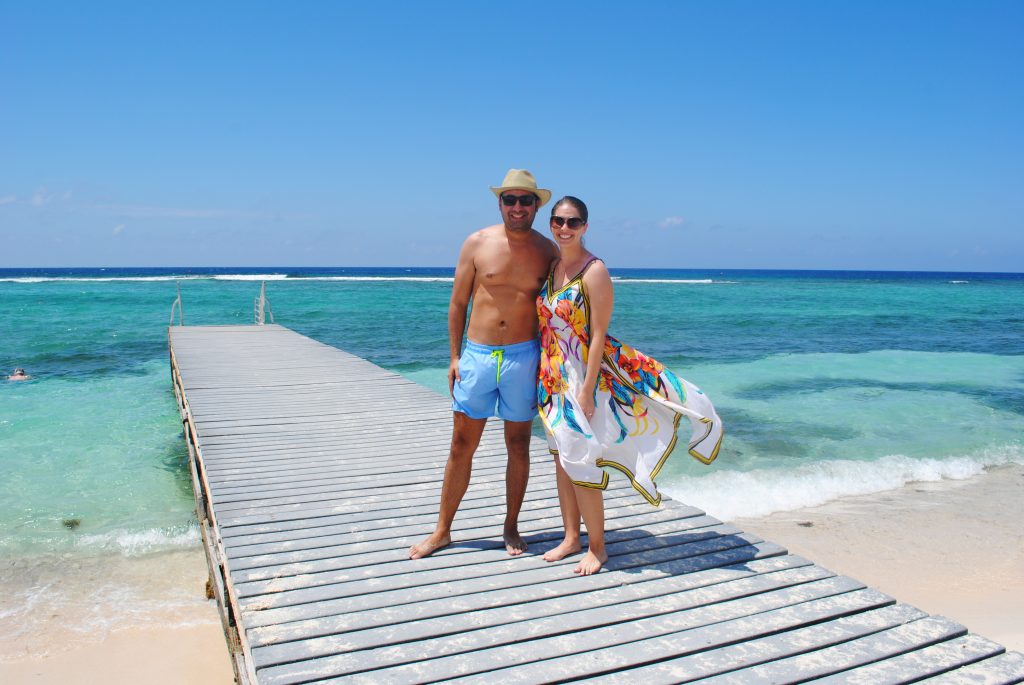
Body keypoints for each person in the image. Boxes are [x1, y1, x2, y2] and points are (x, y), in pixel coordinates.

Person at [537, 196, 723, 575]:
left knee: (580, 460)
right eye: (558, 221)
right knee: (561, 458)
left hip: (582, 381)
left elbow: (599, 336)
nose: (564, 228)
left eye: (573, 222)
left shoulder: (594, 271)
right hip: (551, 379)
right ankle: (571, 537)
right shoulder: (553, 266)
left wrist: (588, 388)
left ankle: (598, 547)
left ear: (585, 227)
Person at [409, 169, 559, 560]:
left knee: (519, 444)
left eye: (525, 200)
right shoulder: (477, 242)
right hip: (477, 356)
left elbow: (563, 308)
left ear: (537, 205)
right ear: (500, 203)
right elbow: (458, 302)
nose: (517, 207)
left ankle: (511, 525)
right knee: (461, 444)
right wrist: (455, 356)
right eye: (510, 199)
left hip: (523, 358)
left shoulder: (548, 251)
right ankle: (442, 530)